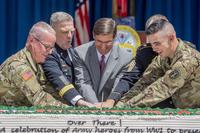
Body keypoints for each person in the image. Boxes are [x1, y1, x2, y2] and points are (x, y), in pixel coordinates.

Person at [116, 19, 200, 109]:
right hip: (184, 114)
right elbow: (144, 82)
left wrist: (126, 107)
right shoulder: (163, 57)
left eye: (157, 44)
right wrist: (120, 103)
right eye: (152, 44)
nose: (153, 49)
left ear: (171, 38)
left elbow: (162, 88)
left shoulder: (187, 59)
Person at [0, 22, 69, 107]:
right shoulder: (18, 66)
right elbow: (40, 99)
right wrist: (72, 110)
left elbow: (51, 91)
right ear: (32, 41)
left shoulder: (37, 63)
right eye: (47, 47)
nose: (50, 52)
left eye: (52, 48)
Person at [74, 18, 133, 104]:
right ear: (93, 35)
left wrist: (108, 104)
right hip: (88, 106)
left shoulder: (126, 58)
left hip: (112, 106)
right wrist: (96, 106)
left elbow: (118, 86)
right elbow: (83, 83)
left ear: (115, 36)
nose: (103, 47)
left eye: (108, 42)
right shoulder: (80, 53)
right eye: (99, 41)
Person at [42, 12, 93, 107]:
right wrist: (80, 102)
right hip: (56, 108)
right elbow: (58, 78)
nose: (70, 36)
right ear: (52, 31)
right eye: (65, 32)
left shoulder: (72, 51)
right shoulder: (48, 53)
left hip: (74, 105)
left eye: (72, 31)